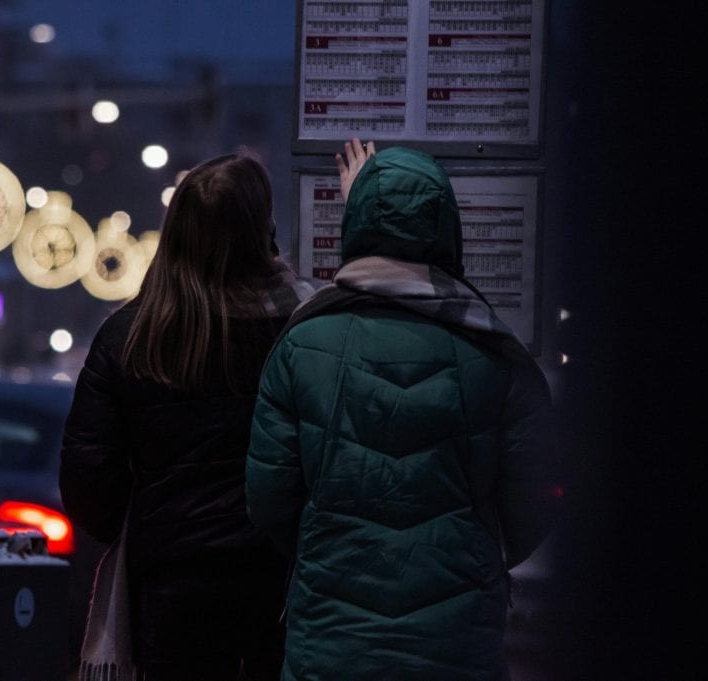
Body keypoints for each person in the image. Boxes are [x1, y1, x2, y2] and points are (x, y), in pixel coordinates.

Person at [246, 139, 563, 680]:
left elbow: (269, 498)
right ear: (448, 230)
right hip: (455, 642)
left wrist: (323, 548)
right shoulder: (492, 350)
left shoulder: (304, 343)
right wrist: (475, 559)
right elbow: (533, 501)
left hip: (332, 638)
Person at [59, 150, 316, 681]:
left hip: (172, 586)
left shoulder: (128, 336)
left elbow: (87, 481)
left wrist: (141, 520)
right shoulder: (303, 327)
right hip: (283, 582)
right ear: (262, 231)